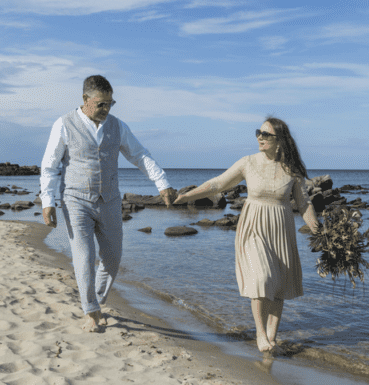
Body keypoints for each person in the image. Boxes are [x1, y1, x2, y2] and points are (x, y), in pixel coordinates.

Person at [41, 75, 176, 333]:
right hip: (75, 199)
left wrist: (162, 182)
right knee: (84, 256)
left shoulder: (117, 126)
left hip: (111, 200)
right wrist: (48, 201)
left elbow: (140, 155)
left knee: (113, 258)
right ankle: (90, 310)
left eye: (110, 104)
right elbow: (49, 165)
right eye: (101, 104)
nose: (106, 109)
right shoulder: (64, 124)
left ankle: (97, 300)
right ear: (85, 100)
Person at [175, 118, 319, 352]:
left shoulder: (292, 169)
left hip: (281, 229)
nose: (259, 137)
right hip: (253, 226)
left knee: (279, 284)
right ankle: (260, 334)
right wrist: (187, 196)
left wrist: (318, 229)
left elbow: (304, 204)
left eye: (266, 134)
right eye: (258, 132)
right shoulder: (248, 162)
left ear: (280, 140)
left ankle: (272, 336)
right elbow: (217, 184)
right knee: (261, 278)